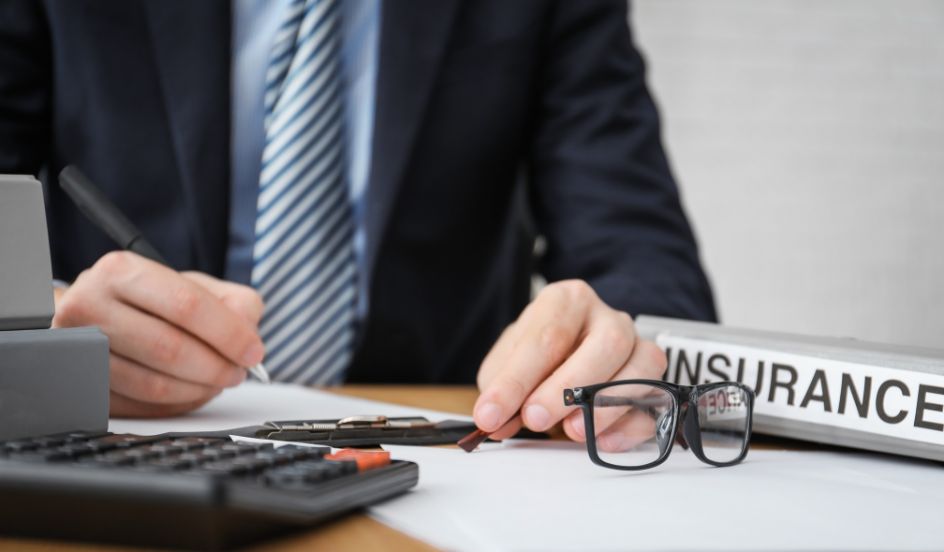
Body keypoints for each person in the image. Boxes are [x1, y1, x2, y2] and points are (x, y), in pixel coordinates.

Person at [0, 0, 716, 444]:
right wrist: (51, 326)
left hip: (445, 448)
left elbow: (646, 259)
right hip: (127, 441)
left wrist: (614, 341)